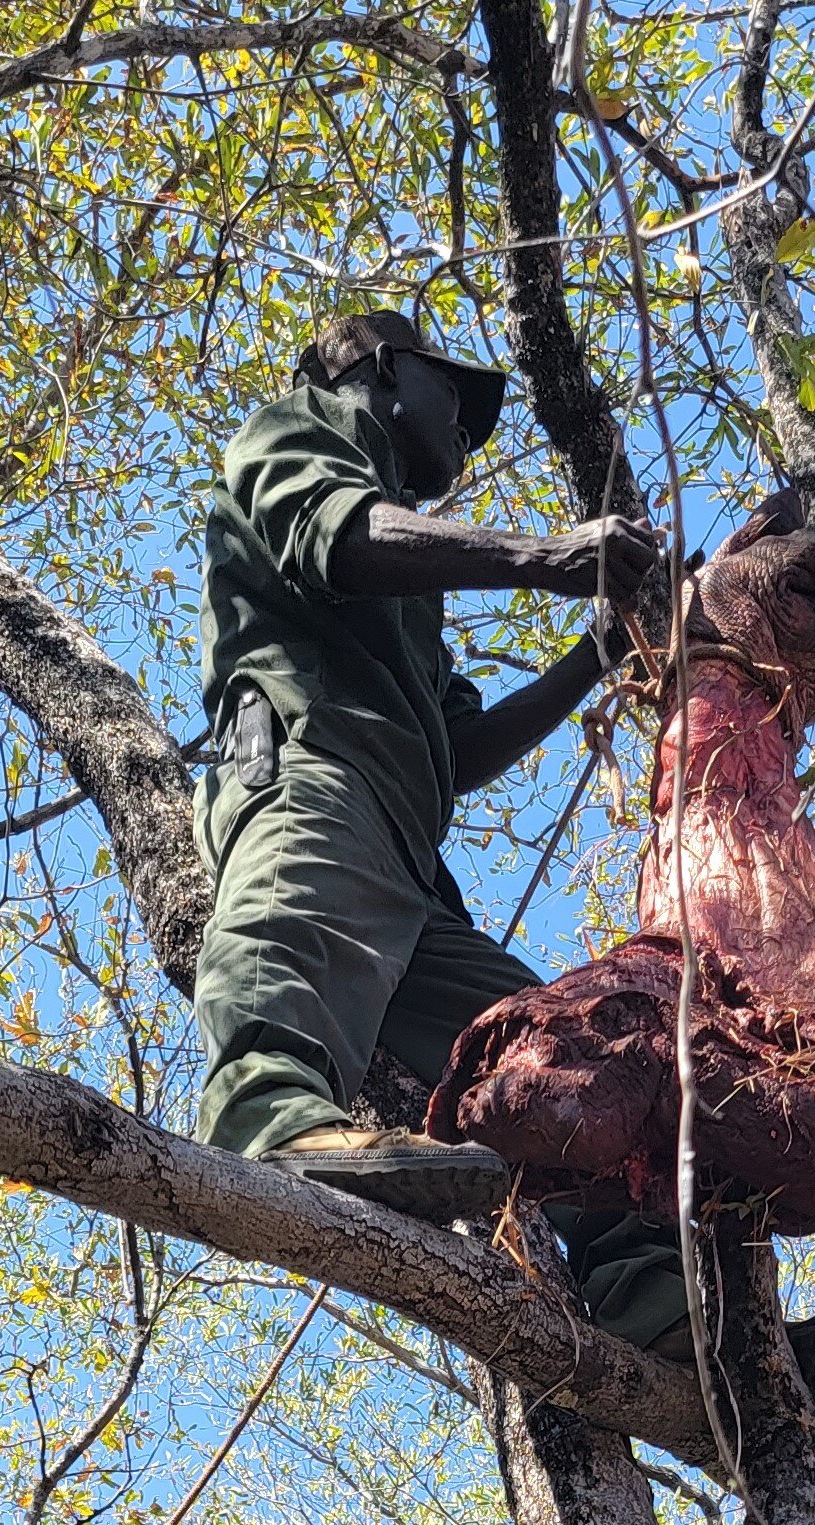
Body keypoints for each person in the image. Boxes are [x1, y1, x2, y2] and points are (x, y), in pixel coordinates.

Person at [193, 306, 694, 1349]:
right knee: (297, 929)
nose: (465, 434)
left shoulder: (411, 596)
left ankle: (651, 1296)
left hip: (410, 867)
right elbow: (340, 533)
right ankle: (268, 1117)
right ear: (379, 367)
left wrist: (595, 651)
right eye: (454, 398)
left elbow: (460, 751)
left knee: (560, 1046)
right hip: (314, 762)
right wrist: (545, 555)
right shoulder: (294, 432)